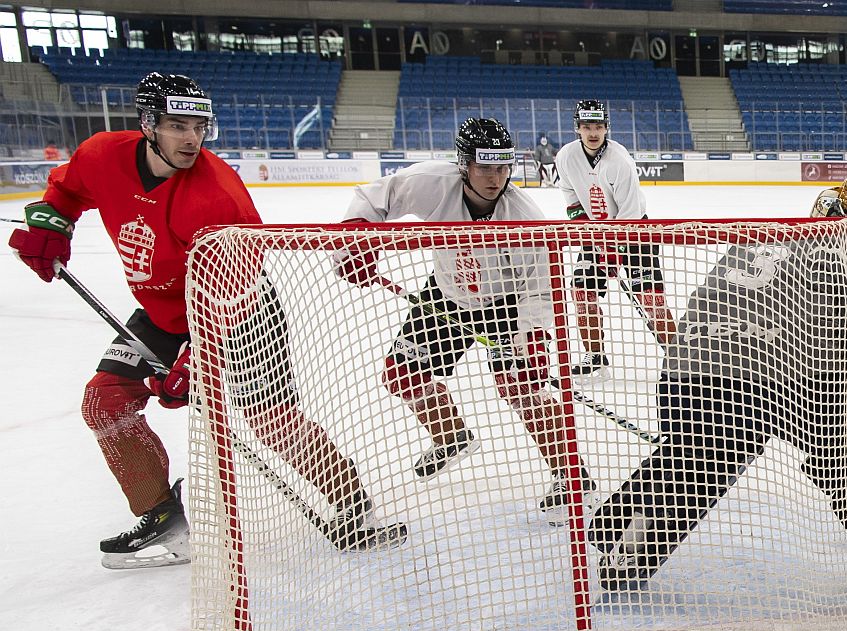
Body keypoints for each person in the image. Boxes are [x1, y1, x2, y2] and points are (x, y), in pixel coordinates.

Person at [6, 72, 402, 567]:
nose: (192, 138)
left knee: (271, 422)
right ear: (148, 123)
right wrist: (54, 225)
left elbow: (233, 289)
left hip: (241, 314)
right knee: (104, 401)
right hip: (162, 313)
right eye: (177, 125)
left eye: (199, 125)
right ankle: (163, 519)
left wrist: (198, 359)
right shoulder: (101, 154)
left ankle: (352, 505)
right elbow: (67, 191)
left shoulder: (218, 196)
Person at [586, 182, 847, 590]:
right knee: (845, 458)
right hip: (765, 385)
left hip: (682, 375)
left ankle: (618, 529)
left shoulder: (758, 241)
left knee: (698, 458)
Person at [339, 117, 594, 513]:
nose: (496, 178)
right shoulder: (432, 182)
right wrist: (355, 239)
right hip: (447, 294)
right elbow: (377, 196)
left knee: (519, 387)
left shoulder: (524, 217)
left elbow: (540, 288)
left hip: (505, 304)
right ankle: (451, 436)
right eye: (485, 167)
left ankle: (572, 475)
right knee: (401, 372)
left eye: (503, 167)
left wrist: (533, 342)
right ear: (464, 164)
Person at [555, 99, 675, 376]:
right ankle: (595, 356)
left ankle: (678, 358)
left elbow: (630, 214)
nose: (593, 132)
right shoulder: (566, 156)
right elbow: (571, 199)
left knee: (650, 299)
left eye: (598, 126)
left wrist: (614, 251)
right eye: (587, 126)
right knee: (582, 293)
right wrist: (593, 236)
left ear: (606, 127)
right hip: (595, 233)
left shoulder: (619, 161)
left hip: (635, 235)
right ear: (578, 128)